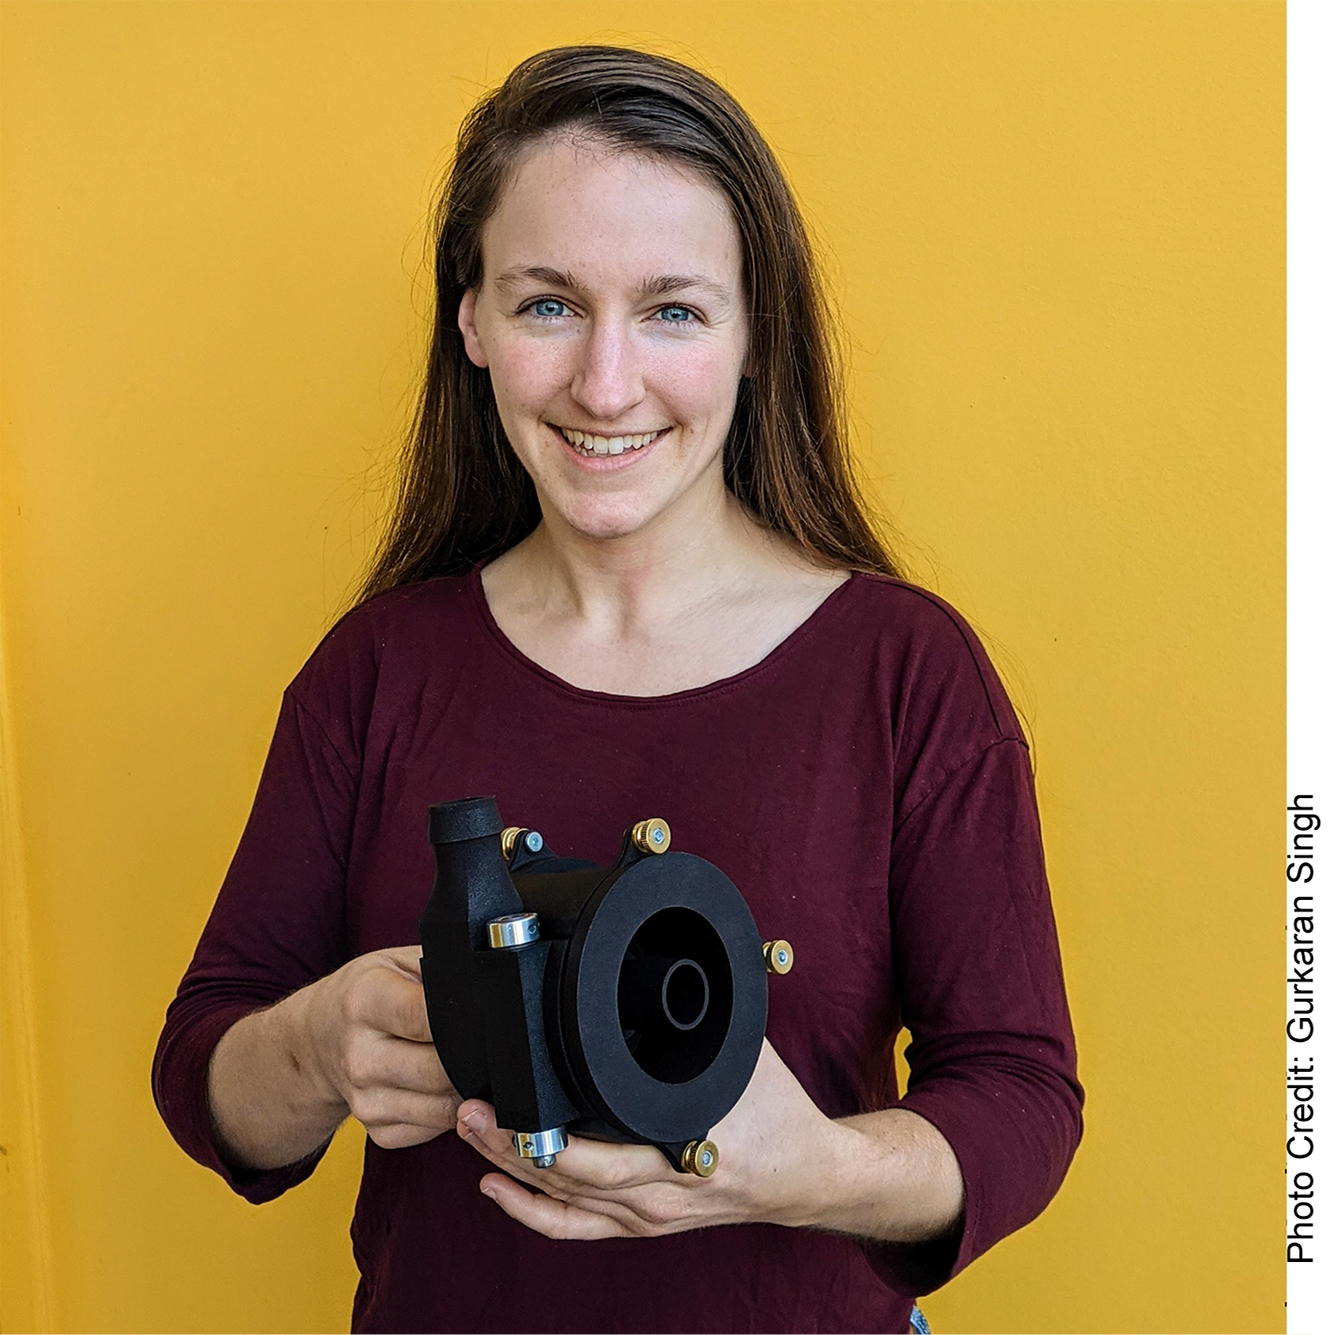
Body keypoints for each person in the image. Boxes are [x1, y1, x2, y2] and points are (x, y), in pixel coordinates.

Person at [153, 45, 1083, 1335]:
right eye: (547, 304)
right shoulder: (373, 673)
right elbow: (205, 1076)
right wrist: (315, 1048)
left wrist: (815, 1172)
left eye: (673, 310)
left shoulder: (908, 675)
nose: (604, 383)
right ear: (470, 321)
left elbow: (1024, 1097)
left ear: (758, 335)